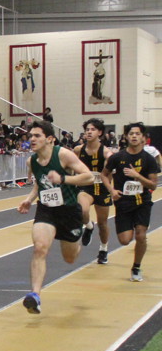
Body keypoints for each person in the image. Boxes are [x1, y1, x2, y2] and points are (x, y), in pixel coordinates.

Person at [16, 121, 94, 314]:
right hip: (47, 209)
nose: (32, 139)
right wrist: (29, 199)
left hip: (69, 211)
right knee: (40, 247)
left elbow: (89, 177)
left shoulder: (63, 155)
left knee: (70, 258)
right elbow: (40, 183)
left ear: (50, 139)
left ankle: (84, 229)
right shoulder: (32, 161)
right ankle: (35, 295)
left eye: (37, 136)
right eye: (31, 136)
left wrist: (63, 179)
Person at [101, 122, 159, 282]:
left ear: (143, 137)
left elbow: (153, 185)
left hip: (142, 202)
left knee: (141, 235)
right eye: (131, 133)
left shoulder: (149, 159)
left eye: (137, 134)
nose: (134, 136)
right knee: (125, 240)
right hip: (123, 203)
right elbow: (104, 175)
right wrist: (112, 190)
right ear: (126, 137)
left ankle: (136, 267)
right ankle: (132, 228)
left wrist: (137, 176)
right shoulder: (117, 157)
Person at [74, 118, 114, 264]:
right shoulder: (78, 150)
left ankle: (103, 249)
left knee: (102, 223)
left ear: (100, 133)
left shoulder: (106, 153)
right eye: (87, 130)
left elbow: (110, 173)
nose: (89, 132)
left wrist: (110, 189)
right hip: (85, 187)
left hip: (101, 188)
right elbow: (71, 165)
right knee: (82, 210)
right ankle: (89, 226)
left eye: (93, 130)